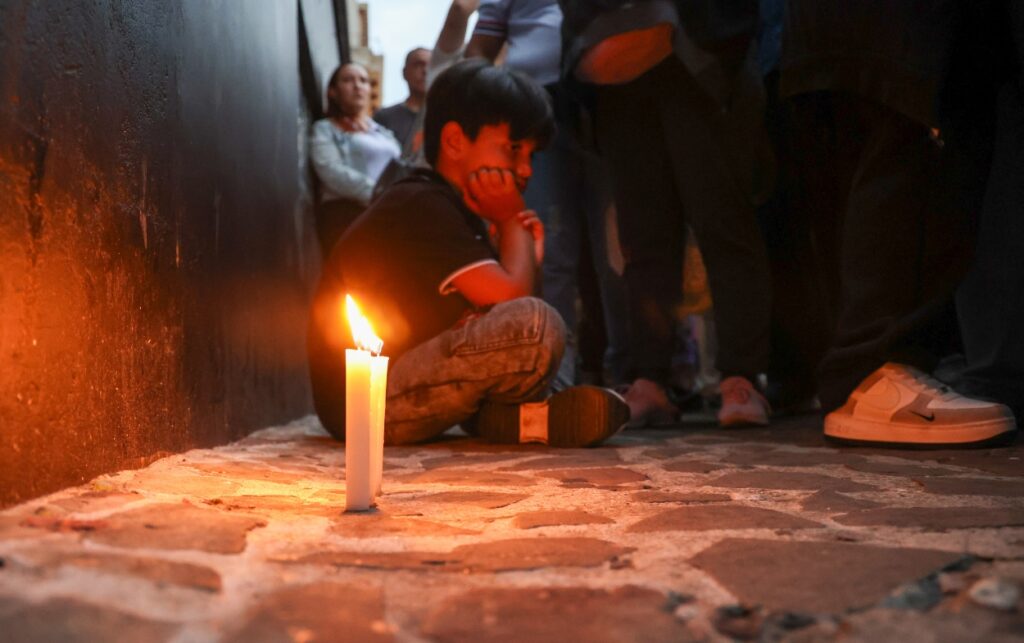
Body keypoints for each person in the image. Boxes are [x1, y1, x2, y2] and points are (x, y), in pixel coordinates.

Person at [307, 59, 629, 448]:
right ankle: (518, 411)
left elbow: (499, 314)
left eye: (531, 155)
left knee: (547, 330)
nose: (525, 170)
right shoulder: (421, 202)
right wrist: (510, 221)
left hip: (414, 387)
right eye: (513, 149)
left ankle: (520, 421)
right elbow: (515, 307)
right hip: (365, 401)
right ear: (455, 141)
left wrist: (522, 253)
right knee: (535, 324)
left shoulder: (461, 214)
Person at [779, 0, 1017, 445]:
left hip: (841, 36)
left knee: (876, 153)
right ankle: (877, 372)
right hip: (905, 35)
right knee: (911, 149)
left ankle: (878, 369)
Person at [560, 0, 775, 427]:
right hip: (615, 71)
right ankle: (650, 377)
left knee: (722, 219)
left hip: (694, 49)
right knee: (642, 235)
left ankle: (741, 376)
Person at [468, 0, 630, 389]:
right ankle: (556, 373)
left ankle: (629, 373)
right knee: (552, 247)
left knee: (618, 247)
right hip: (535, 109)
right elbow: (480, 50)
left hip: (608, 95)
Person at [309, 62, 401, 255]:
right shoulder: (325, 129)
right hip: (347, 217)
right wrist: (377, 193)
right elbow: (330, 169)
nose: (357, 85)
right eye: (348, 80)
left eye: (363, 80)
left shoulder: (383, 133)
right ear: (333, 91)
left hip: (388, 216)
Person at [373, 47, 430, 153]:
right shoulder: (384, 117)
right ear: (405, 72)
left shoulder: (447, 116)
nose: (425, 71)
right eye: (418, 65)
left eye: (431, 66)